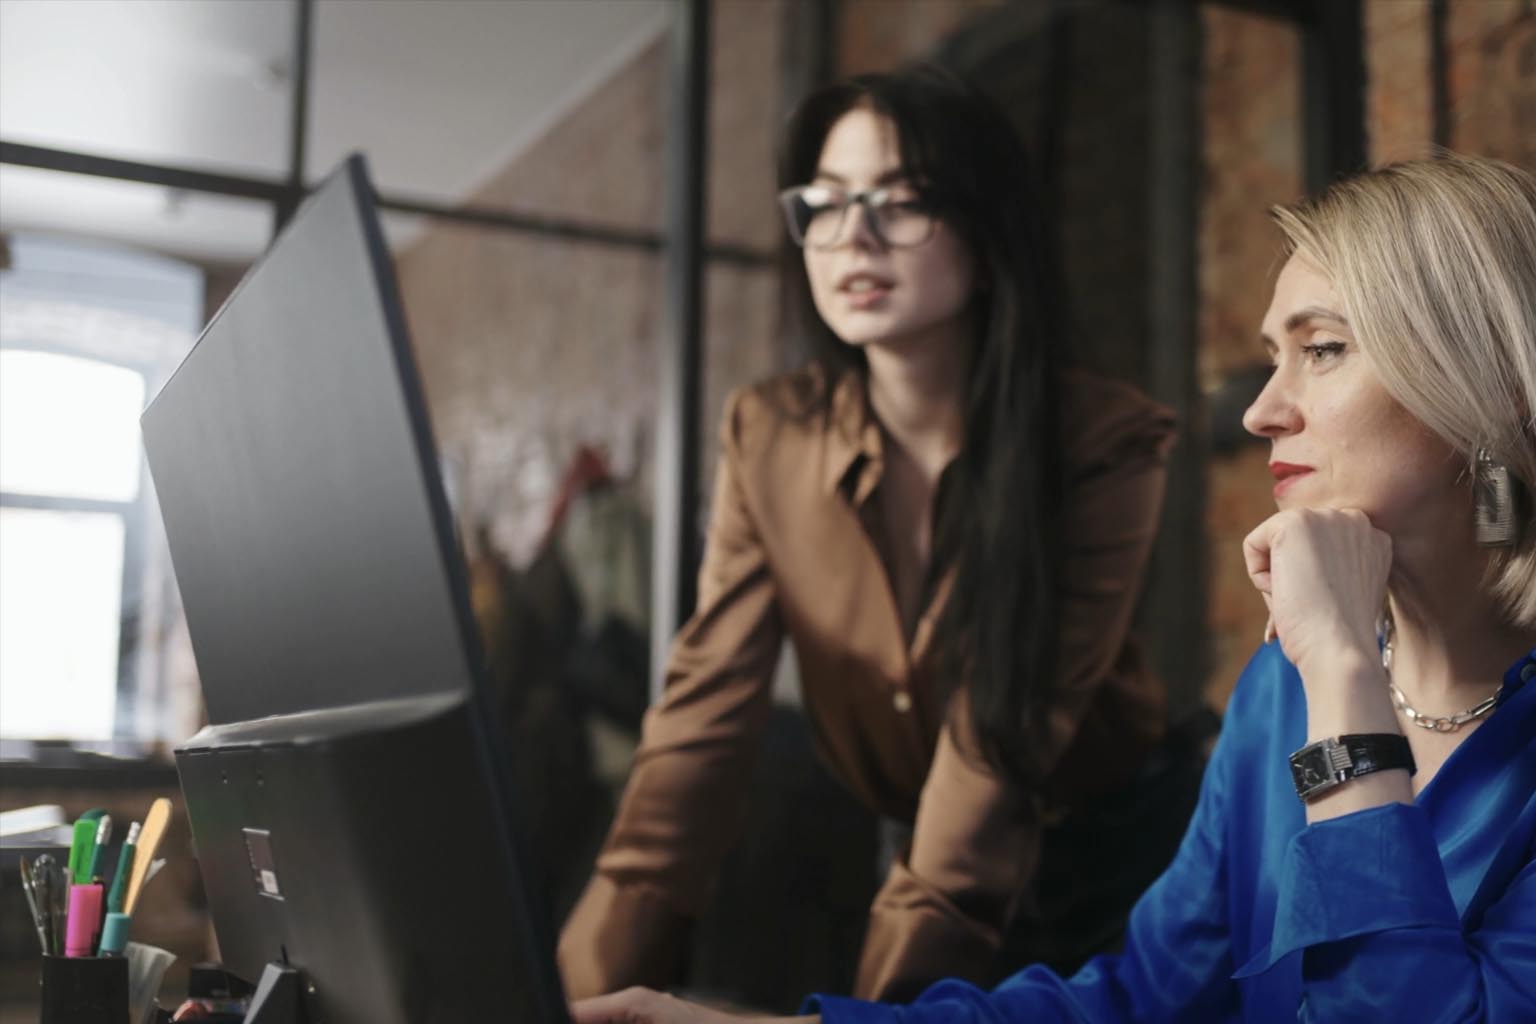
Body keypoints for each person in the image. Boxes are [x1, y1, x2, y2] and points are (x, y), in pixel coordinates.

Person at [568, 153, 1536, 1023]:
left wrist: (1338, 677)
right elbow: (1136, 999)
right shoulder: (1276, 694)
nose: (1259, 409)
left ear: (1477, 383)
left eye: (1321, 349)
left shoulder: (1313, 679)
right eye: (1271, 355)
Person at [558, 65, 1186, 1000]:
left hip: (1107, 860)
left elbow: (994, 751)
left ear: (987, 226)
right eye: (826, 202)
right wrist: (583, 986)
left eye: (903, 201)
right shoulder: (768, 433)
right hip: (914, 851)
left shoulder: (1104, 441)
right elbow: (701, 717)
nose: (854, 235)